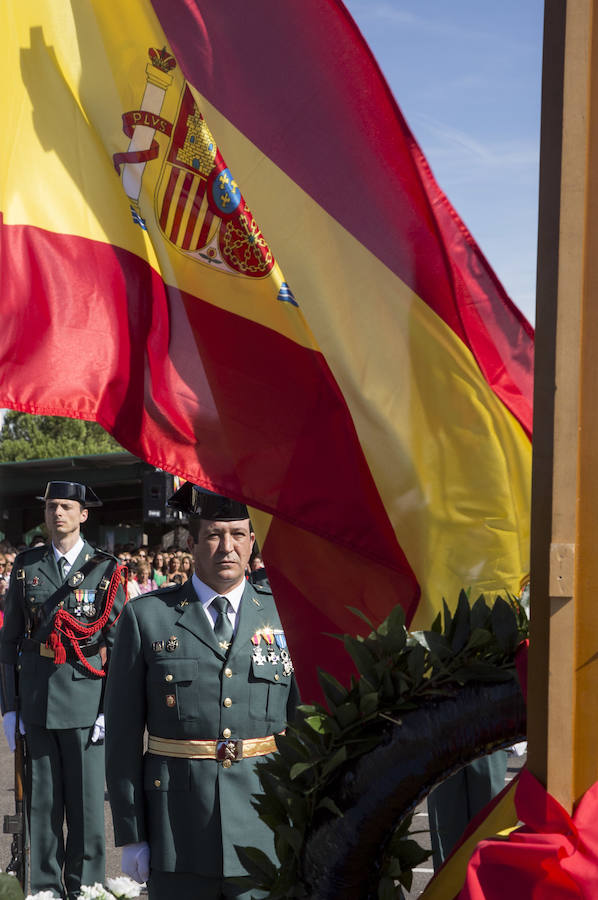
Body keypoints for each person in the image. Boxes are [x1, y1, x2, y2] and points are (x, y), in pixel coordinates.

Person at [105, 486, 299, 900]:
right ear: (192, 542)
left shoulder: (285, 614)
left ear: (251, 542)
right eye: (213, 534)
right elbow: (122, 737)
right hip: (178, 829)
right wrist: (132, 832)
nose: (226, 547)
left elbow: (305, 728)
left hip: (265, 824)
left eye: (237, 534)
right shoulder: (147, 618)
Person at [0, 481, 125, 899]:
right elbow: (9, 641)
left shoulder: (106, 569)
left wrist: (109, 709)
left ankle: (87, 888)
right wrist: (9, 706)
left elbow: (119, 647)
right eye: (52, 506)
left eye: (67, 507)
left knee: (89, 809)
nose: (58, 514)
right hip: (37, 701)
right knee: (42, 807)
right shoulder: (26, 566)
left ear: (83, 514)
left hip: (88, 701)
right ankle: (47, 890)